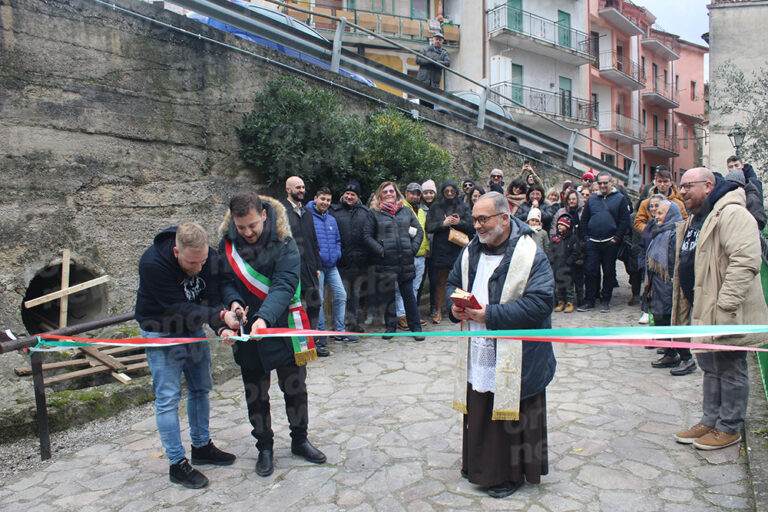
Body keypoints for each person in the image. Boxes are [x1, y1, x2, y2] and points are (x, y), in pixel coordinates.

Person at [446, 191, 556, 498]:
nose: (478, 226)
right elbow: (454, 284)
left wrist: (489, 314)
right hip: (480, 345)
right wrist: (454, 309)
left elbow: (541, 302)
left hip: (518, 352)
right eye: (475, 219)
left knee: (510, 414)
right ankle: (478, 466)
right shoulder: (471, 251)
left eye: (484, 219)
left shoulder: (531, 253)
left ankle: (509, 474)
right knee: (481, 407)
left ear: (504, 218)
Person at [218, 191, 326, 477]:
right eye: (241, 228)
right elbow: (224, 282)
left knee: (295, 389)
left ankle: (300, 440)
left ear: (264, 215)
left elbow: (285, 283)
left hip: (282, 327)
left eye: (252, 225)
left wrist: (264, 317)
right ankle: (264, 447)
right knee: (256, 395)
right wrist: (233, 302)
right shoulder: (227, 246)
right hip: (246, 333)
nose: (248, 232)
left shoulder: (285, 242)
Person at [136, 222, 239, 489]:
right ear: (176, 252)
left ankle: (202, 446)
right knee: (168, 397)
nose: (199, 268)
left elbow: (211, 297)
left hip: (192, 329)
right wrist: (217, 317)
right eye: (193, 263)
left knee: (201, 387)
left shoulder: (209, 259)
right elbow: (177, 307)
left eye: (203, 261)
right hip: (161, 331)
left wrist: (221, 327)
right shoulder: (152, 264)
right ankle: (177, 463)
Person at [672, 168, 768, 450]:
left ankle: (730, 426)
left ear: (708, 185)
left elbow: (746, 261)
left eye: (688, 186)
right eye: (681, 186)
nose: (682, 191)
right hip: (702, 308)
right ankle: (710, 420)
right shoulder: (699, 217)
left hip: (725, 312)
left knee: (730, 367)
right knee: (710, 365)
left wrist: (725, 305)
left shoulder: (733, 214)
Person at [363, 182, 425, 339]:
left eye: (391, 191)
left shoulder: (406, 211)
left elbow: (418, 232)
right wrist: (381, 251)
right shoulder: (374, 213)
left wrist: (412, 249)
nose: (389, 193)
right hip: (386, 262)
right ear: (380, 195)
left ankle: (416, 328)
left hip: (405, 261)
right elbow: (367, 236)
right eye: (385, 192)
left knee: (409, 296)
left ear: (397, 193)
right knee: (388, 297)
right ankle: (390, 327)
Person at [645, 200, 695, 374]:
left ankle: (686, 358)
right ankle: (669, 353)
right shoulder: (659, 232)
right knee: (661, 319)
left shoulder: (674, 235)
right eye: (656, 212)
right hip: (658, 286)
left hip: (670, 286)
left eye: (660, 213)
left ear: (671, 214)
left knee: (672, 321)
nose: (656, 216)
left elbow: (676, 263)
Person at [281, 177, 329, 357]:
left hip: (309, 268)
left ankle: (312, 343)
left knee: (315, 303)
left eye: (303, 187)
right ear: (288, 189)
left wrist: (317, 265)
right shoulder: (280, 211)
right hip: (290, 269)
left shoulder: (307, 212)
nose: (301, 190)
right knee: (291, 308)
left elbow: (313, 240)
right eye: (297, 187)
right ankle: (292, 346)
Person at [308, 187, 358, 344]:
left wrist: (337, 254)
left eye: (328, 200)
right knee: (320, 300)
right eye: (322, 199)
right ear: (316, 198)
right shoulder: (308, 217)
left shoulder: (332, 219)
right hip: (318, 267)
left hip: (332, 266)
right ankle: (322, 334)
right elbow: (308, 243)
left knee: (341, 295)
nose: (325, 202)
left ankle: (339, 331)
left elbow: (337, 240)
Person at [577, 172, 630, 313]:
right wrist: (586, 237)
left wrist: (616, 238)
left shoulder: (620, 199)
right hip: (592, 242)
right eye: (600, 183)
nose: (603, 185)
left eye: (605, 183)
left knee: (609, 272)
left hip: (610, 242)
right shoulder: (592, 199)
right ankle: (590, 300)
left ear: (611, 183)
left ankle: (605, 300)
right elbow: (584, 219)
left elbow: (624, 221)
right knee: (590, 271)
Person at [425, 179, 474, 323]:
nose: (450, 193)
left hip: (459, 249)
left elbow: (471, 226)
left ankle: (460, 310)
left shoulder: (463, 206)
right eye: (447, 191)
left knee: (461, 281)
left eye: (452, 191)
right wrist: (443, 224)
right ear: (443, 192)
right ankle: (438, 309)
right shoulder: (436, 206)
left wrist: (459, 223)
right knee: (440, 281)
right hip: (441, 250)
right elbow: (429, 226)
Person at [330, 181, 371, 333]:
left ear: (357, 197)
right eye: (347, 193)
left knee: (354, 294)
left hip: (359, 261)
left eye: (353, 194)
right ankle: (338, 325)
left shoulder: (365, 213)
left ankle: (353, 323)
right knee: (339, 295)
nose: (349, 196)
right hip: (340, 261)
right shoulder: (334, 211)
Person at [394, 183, 429, 329]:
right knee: (401, 288)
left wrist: (426, 247)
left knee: (414, 288)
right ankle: (401, 315)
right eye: (412, 193)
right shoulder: (401, 208)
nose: (415, 196)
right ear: (406, 193)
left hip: (421, 255)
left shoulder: (421, 210)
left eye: (417, 194)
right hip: (406, 254)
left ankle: (411, 314)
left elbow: (423, 231)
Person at [636, 194, 664, 324]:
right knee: (647, 289)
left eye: (656, 205)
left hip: (663, 266)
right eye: (651, 206)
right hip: (648, 265)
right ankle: (646, 311)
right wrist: (641, 264)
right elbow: (642, 246)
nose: (653, 208)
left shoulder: (669, 224)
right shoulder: (649, 225)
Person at [633, 168, 687, 234]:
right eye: (660, 181)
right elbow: (638, 223)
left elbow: (685, 222)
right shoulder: (645, 203)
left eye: (665, 181)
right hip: (651, 239)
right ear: (655, 182)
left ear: (671, 183)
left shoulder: (678, 204)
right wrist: (651, 230)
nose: (662, 184)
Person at [548, 214, 582, 313]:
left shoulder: (573, 238)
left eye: (562, 225)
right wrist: (552, 261)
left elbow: (576, 252)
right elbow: (550, 251)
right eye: (558, 224)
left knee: (568, 286)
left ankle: (569, 302)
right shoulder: (555, 238)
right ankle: (561, 301)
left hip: (568, 267)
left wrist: (569, 262)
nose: (559, 226)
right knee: (558, 287)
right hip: (557, 267)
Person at [420, 179, 439, 319]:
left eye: (431, 192)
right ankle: (414, 308)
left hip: (437, 251)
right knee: (419, 281)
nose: (428, 195)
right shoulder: (419, 209)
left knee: (434, 281)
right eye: (426, 193)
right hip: (422, 251)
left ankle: (434, 307)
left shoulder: (439, 207)